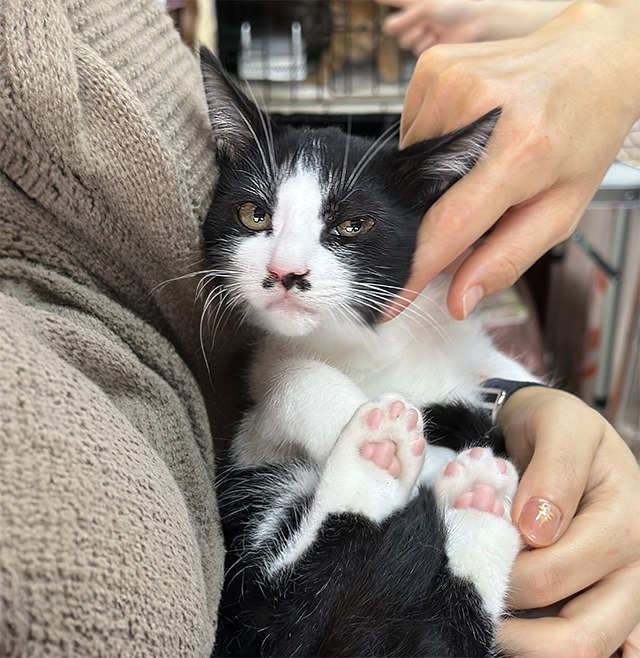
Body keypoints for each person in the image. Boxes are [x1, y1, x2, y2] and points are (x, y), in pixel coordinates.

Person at [0, 1, 638, 657]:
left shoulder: (429, 324)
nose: (287, 266)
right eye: (256, 214)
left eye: (349, 227)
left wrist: (537, 410)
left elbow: (492, 390)